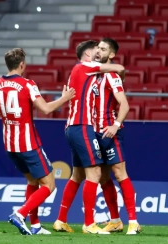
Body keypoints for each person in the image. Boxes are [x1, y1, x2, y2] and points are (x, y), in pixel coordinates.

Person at [0, 48, 76, 235]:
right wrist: (65, 98)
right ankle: (20, 214)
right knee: (49, 185)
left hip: (10, 145)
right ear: (22, 65)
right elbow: (45, 109)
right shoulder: (28, 84)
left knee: (32, 181)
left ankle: (35, 226)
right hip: (28, 144)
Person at [53, 40, 125, 234]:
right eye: (96, 50)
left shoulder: (76, 74)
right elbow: (118, 67)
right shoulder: (85, 67)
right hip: (83, 127)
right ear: (88, 54)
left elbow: (65, 95)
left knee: (77, 175)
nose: (98, 52)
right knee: (95, 173)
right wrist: (119, 71)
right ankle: (89, 223)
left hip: (71, 127)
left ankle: (60, 220)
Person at [94, 38, 141, 235]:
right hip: (94, 131)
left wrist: (114, 125)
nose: (98, 51)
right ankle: (115, 220)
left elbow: (125, 104)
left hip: (110, 131)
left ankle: (133, 221)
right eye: (98, 47)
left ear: (111, 55)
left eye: (103, 49)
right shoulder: (93, 73)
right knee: (103, 177)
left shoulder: (111, 75)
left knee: (120, 174)